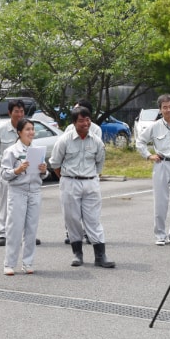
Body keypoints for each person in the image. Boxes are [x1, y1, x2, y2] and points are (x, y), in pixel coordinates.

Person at [49, 106, 115, 268]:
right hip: (70, 182)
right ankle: (77, 254)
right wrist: (65, 179)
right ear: (74, 123)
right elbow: (55, 163)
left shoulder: (97, 141)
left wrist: (91, 178)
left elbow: (99, 163)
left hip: (90, 182)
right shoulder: (64, 140)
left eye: (88, 120)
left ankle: (100, 256)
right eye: (81, 120)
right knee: (72, 219)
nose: (85, 123)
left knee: (93, 219)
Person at [0, 118, 49, 275]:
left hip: (35, 191)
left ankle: (28, 263)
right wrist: (18, 170)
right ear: (19, 132)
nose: (31, 132)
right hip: (18, 191)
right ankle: (9, 264)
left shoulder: (37, 150)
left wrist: (43, 170)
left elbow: (43, 174)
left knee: (31, 229)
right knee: (14, 228)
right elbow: (3, 174)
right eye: (27, 129)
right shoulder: (12, 151)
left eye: (32, 129)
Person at [135, 94, 170, 246]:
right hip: (161, 164)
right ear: (160, 109)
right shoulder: (155, 126)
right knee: (160, 201)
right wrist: (149, 156)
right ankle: (160, 235)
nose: (168, 110)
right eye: (165, 107)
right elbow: (140, 141)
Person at [61, 98, 100, 244]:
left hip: (88, 176)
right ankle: (71, 234)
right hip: (71, 176)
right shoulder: (69, 130)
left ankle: (90, 234)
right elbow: (59, 158)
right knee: (71, 211)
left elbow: (98, 156)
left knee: (89, 210)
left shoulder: (96, 130)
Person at [0, 99, 27, 247]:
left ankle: (26, 234)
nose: (19, 114)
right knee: (5, 203)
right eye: (16, 111)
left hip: (24, 173)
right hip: (7, 173)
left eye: (21, 111)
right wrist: (8, 162)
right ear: (10, 113)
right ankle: (3, 234)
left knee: (25, 203)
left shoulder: (27, 128)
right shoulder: (1, 130)